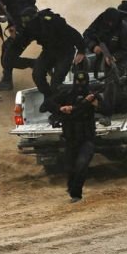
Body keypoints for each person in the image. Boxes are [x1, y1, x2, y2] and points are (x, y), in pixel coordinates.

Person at [44, 69, 101, 203]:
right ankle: (71, 188)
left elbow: (108, 109)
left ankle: (76, 194)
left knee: (82, 164)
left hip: (87, 138)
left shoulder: (92, 96)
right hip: (70, 138)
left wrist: (97, 105)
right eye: (77, 81)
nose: (80, 84)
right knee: (70, 167)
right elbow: (46, 104)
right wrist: (60, 108)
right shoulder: (67, 94)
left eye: (83, 81)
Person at [14, 6, 86, 108]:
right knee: (37, 74)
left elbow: (73, 33)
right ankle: (48, 97)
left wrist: (81, 50)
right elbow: (21, 41)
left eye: (27, 20)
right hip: (48, 51)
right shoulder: (29, 28)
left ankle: (56, 104)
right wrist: (14, 36)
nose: (26, 23)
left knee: (56, 81)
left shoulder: (52, 22)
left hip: (65, 51)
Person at [83, 7, 127, 117]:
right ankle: (108, 107)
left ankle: (108, 112)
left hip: (122, 59)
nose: (109, 24)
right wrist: (93, 46)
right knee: (108, 82)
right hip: (105, 54)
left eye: (111, 22)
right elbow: (86, 34)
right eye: (108, 22)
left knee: (112, 81)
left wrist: (114, 57)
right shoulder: (101, 20)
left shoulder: (125, 29)